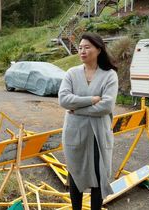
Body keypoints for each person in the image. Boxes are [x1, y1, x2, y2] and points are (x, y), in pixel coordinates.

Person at [58, 32, 118, 210]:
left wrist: (77, 109)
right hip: (74, 134)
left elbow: (107, 106)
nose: (82, 51)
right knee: (75, 174)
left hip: (98, 135)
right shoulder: (71, 73)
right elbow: (63, 99)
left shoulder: (109, 75)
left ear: (98, 49)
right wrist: (91, 100)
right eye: (81, 47)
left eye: (87, 47)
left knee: (99, 176)